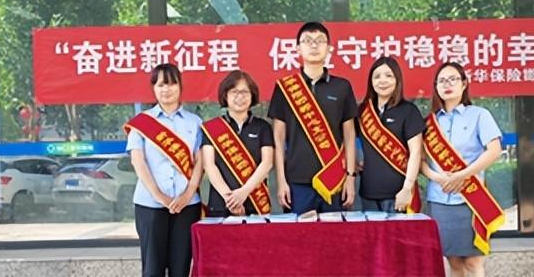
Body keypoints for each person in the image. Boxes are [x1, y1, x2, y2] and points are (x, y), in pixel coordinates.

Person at [421, 62, 504, 277]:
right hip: (440, 199)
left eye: (453, 79)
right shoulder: (429, 123)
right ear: (436, 87)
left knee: (473, 262)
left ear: (464, 84)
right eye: (441, 81)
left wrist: (462, 175)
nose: (447, 85)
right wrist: (437, 177)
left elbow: (494, 150)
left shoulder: (479, 115)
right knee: (454, 262)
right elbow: (420, 161)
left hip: (470, 198)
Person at [269, 21, 359, 214]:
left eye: (320, 41)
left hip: (334, 179)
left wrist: (350, 177)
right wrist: (281, 181)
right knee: (299, 234)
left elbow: (350, 135)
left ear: (329, 48)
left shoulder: (342, 86)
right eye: (308, 41)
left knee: (334, 233)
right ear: (298, 48)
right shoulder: (285, 88)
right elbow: (278, 137)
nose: (314, 45)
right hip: (296, 181)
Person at [124, 63, 203, 277]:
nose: (166, 89)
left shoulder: (195, 122)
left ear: (180, 86)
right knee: (153, 269)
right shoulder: (141, 123)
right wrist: (160, 196)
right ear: (153, 88)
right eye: (160, 85)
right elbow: (138, 162)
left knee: (181, 268)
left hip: (187, 205)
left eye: (171, 84)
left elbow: (200, 162)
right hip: (150, 204)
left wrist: (188, 194)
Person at [201, 70, 274, 217]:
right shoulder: (212, 128)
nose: (240, 97)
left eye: (245, 92)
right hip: (221, 202)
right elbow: (209, 165)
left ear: (252, 96)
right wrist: (230, 199)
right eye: (234, 92)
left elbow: (267, 163)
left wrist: (243, 192)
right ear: (225, 96)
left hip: (255, 203)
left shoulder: (263, 127)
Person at [357, 56, 425, 213]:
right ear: (371, 81)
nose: (382, 81)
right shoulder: (363, 111)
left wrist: (407, 188)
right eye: (377, 76)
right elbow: (350, 139)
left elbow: (416, 152)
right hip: (368, 193)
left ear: (397, 80)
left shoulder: (409, 111)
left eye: (389, 76)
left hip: (398, 195)